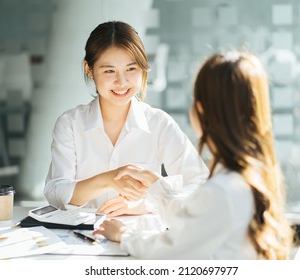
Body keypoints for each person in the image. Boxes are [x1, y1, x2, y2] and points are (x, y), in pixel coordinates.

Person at [94, 51, 295, 259]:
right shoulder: (250, 177)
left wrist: (125, 235)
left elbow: (170, 251)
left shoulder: (223, 190)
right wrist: (156, 186)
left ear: (201, 109)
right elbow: (195, 217)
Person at [43, 21, 209, 217]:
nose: (121, 82)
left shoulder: (159, 123)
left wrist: (148, 204)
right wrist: (109, 179)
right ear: (89, 69)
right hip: (80, 237)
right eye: (109, 71)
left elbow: (201, 185)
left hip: (139, 236)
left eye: (131, 69)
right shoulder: (70, 124)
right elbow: (56, 193)